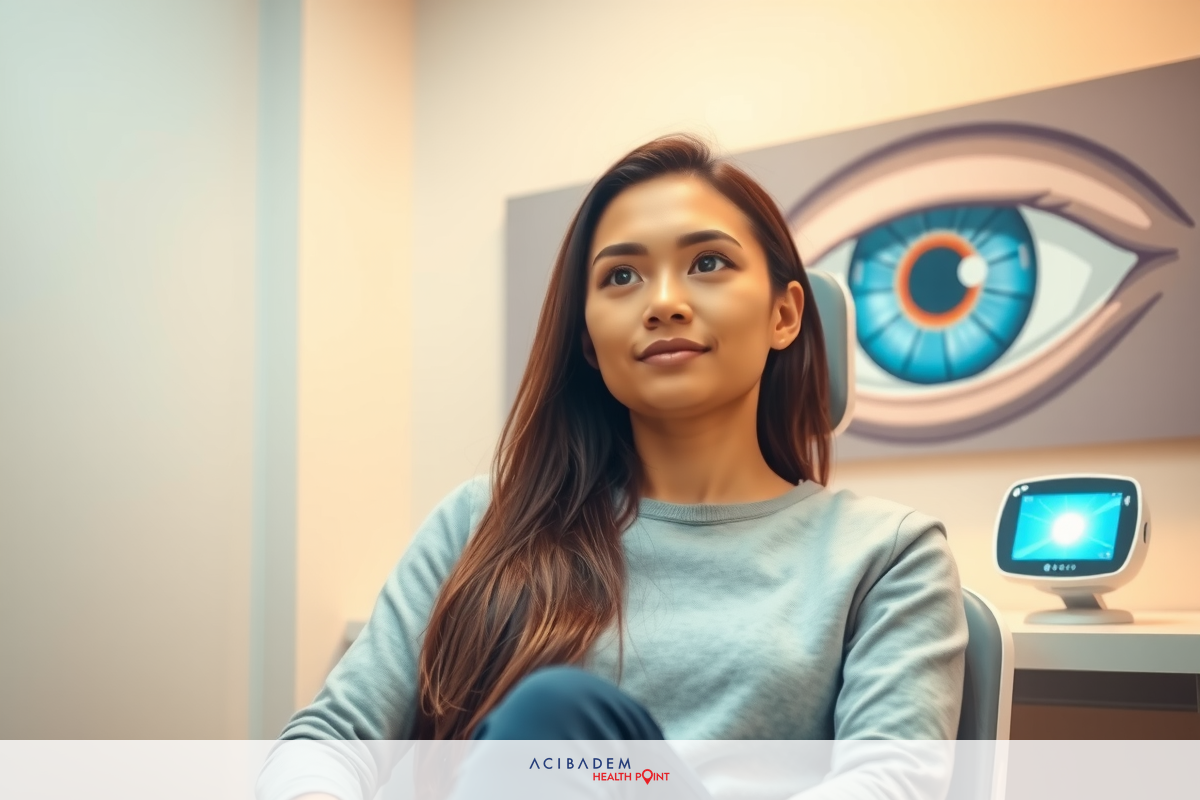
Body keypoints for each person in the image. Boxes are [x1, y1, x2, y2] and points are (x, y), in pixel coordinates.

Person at [257, 135, 968, 800]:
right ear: (591, 344)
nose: (663, 303)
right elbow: (328, 738)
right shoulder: (483, 524)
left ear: (785, 315)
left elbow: (891, 783)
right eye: (622, 276)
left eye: (708, 263)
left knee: (555, 715)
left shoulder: (885, 553)